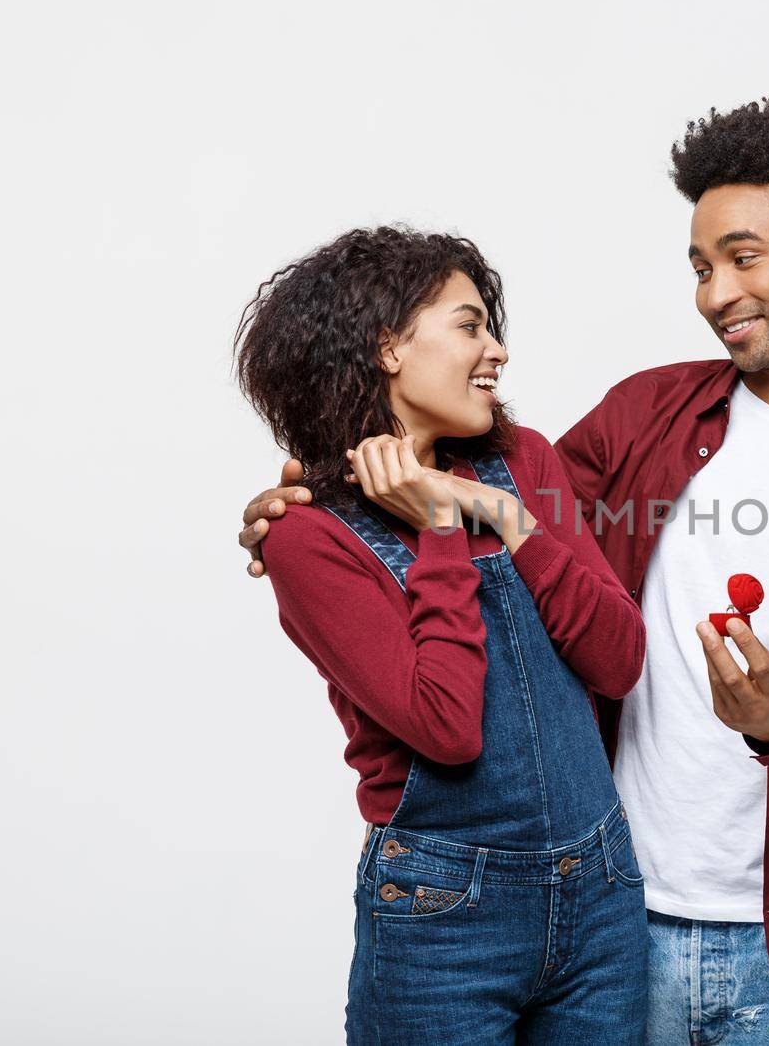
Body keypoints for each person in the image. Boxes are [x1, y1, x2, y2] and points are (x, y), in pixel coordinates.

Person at [241, 93, 769, 1043]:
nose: (716, 293)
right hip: (615, 918)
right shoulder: (646, 416)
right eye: (701, 267)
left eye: (743, 259)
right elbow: (469, 491)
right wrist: (304, 496)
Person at [233, 226, 649, 1044]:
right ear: (387, 345)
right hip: (442, 921)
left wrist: (506, 515)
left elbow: (618, 658)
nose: (496, 349)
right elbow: (447, 725)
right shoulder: (307, 539)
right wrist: (440, 529)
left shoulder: (524, 461)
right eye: (470, 325)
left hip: (601, 895)